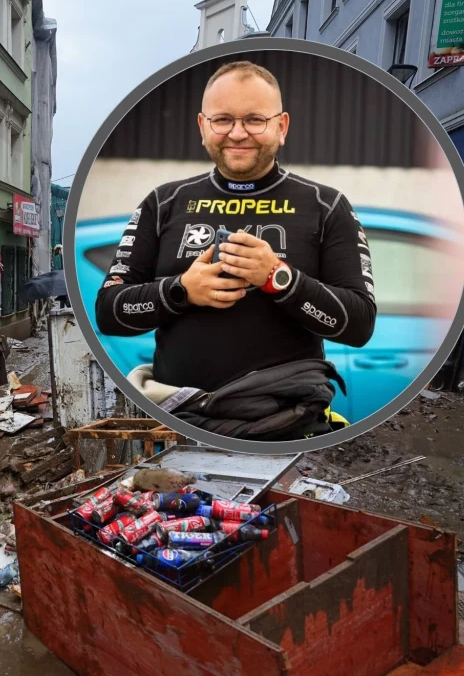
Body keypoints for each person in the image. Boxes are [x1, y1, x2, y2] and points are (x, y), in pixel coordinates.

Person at [95, 60, 377, 438]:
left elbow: (359, 324)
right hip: (175, 421)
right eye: (223, 120)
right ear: (202, 127)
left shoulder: (326, 205)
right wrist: (180, 291)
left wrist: (279, 279)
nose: (238, 133)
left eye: (255, 120)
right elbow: (110, 310)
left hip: (287, 426)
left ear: (282, 127)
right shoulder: (163, 203)